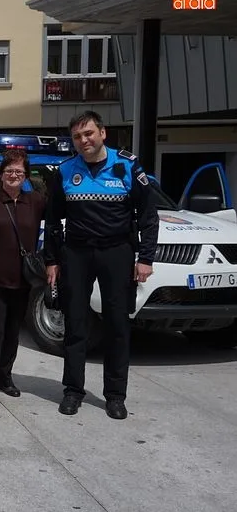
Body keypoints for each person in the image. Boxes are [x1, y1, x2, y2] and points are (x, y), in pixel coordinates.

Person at [44, 110, 158, 420]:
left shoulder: (127, 166)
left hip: (117, 252)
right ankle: (72, 391)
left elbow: (148, 215)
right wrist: (52, 259)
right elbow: (53, 219)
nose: (84, 141)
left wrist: (145, 257)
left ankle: (115, 396)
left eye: (89, 134)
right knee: (76, 325)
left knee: (117, 326)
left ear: (103, 133)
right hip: (77, 254)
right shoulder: (66, 171)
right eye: (78, 137)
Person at [0, 149, 45, 405]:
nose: (14, 175)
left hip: (21, 279)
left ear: (26, 176)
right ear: (1, 174)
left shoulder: (35, 201)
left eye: (19, 172)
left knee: (13, 333)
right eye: (9, 171)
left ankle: (5, 378)